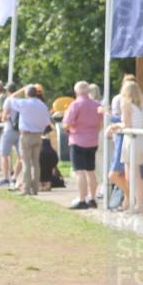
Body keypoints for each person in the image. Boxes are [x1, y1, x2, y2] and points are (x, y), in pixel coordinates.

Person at [107, 80, 143, 213]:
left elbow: (126, 124)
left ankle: (139, 205)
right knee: (134, 176)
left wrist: (114, 126)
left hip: (131, 140)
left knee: (133, 176)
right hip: (140, 140)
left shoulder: (126, 104)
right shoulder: (141, 106)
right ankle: (142, 203)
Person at [62, 81, 102, 209]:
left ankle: (82, 199)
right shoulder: (97, 104)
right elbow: (100, 124)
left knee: (80, 172)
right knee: (91, 171)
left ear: (76, 92)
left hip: (78, 140)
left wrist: (69, 129)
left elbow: (66, 124)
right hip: (92, 141)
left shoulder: (75, 104)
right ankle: (93, 198)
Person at [4, 84, 50, 195]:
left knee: (26, 162)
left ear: (27, 94)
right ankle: (35, 188)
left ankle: (26, 188)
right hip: (38, 135)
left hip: (26, 135)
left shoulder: (24, 103)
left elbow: (9, 99)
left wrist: (20, 90)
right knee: (35, 163)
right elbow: (46, 122)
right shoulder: (42, 105)